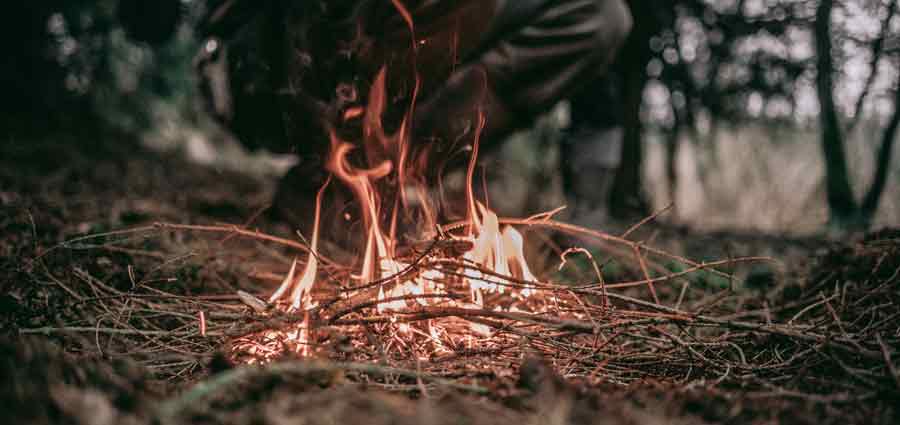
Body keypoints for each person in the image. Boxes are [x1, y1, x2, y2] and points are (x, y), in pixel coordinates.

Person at [122, 0, 632, 231]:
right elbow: (145, 21)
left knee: (596, 15)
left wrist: (589, 216)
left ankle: (361, 181)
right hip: (261, 63)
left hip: (392, 44)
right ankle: (343, 177)